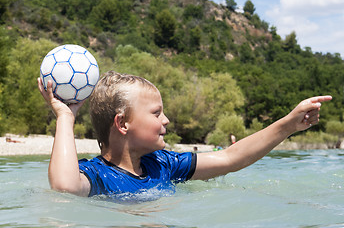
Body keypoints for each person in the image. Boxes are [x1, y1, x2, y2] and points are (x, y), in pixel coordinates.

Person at [37, 71, 332, 199]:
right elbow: (64, 187)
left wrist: (289, 125)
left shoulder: (163, 164)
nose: (166, 120)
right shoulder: (97, 176)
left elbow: (230, 157)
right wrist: (65, 117)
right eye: (155, 113)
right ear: (123, 124)